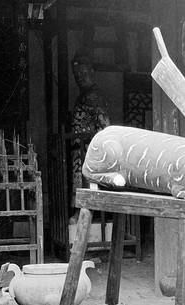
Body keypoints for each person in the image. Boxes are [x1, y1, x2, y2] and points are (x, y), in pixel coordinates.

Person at [69, 50, 111, 218]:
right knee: (81, 181)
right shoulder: (85, 96)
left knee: (88, 182)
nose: (80, 76)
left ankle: (86, 214)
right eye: (77, 74)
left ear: (92, 72)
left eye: (84, 72)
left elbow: (104, 125)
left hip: (89, 149)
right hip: (80, 150)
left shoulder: (94, 96)